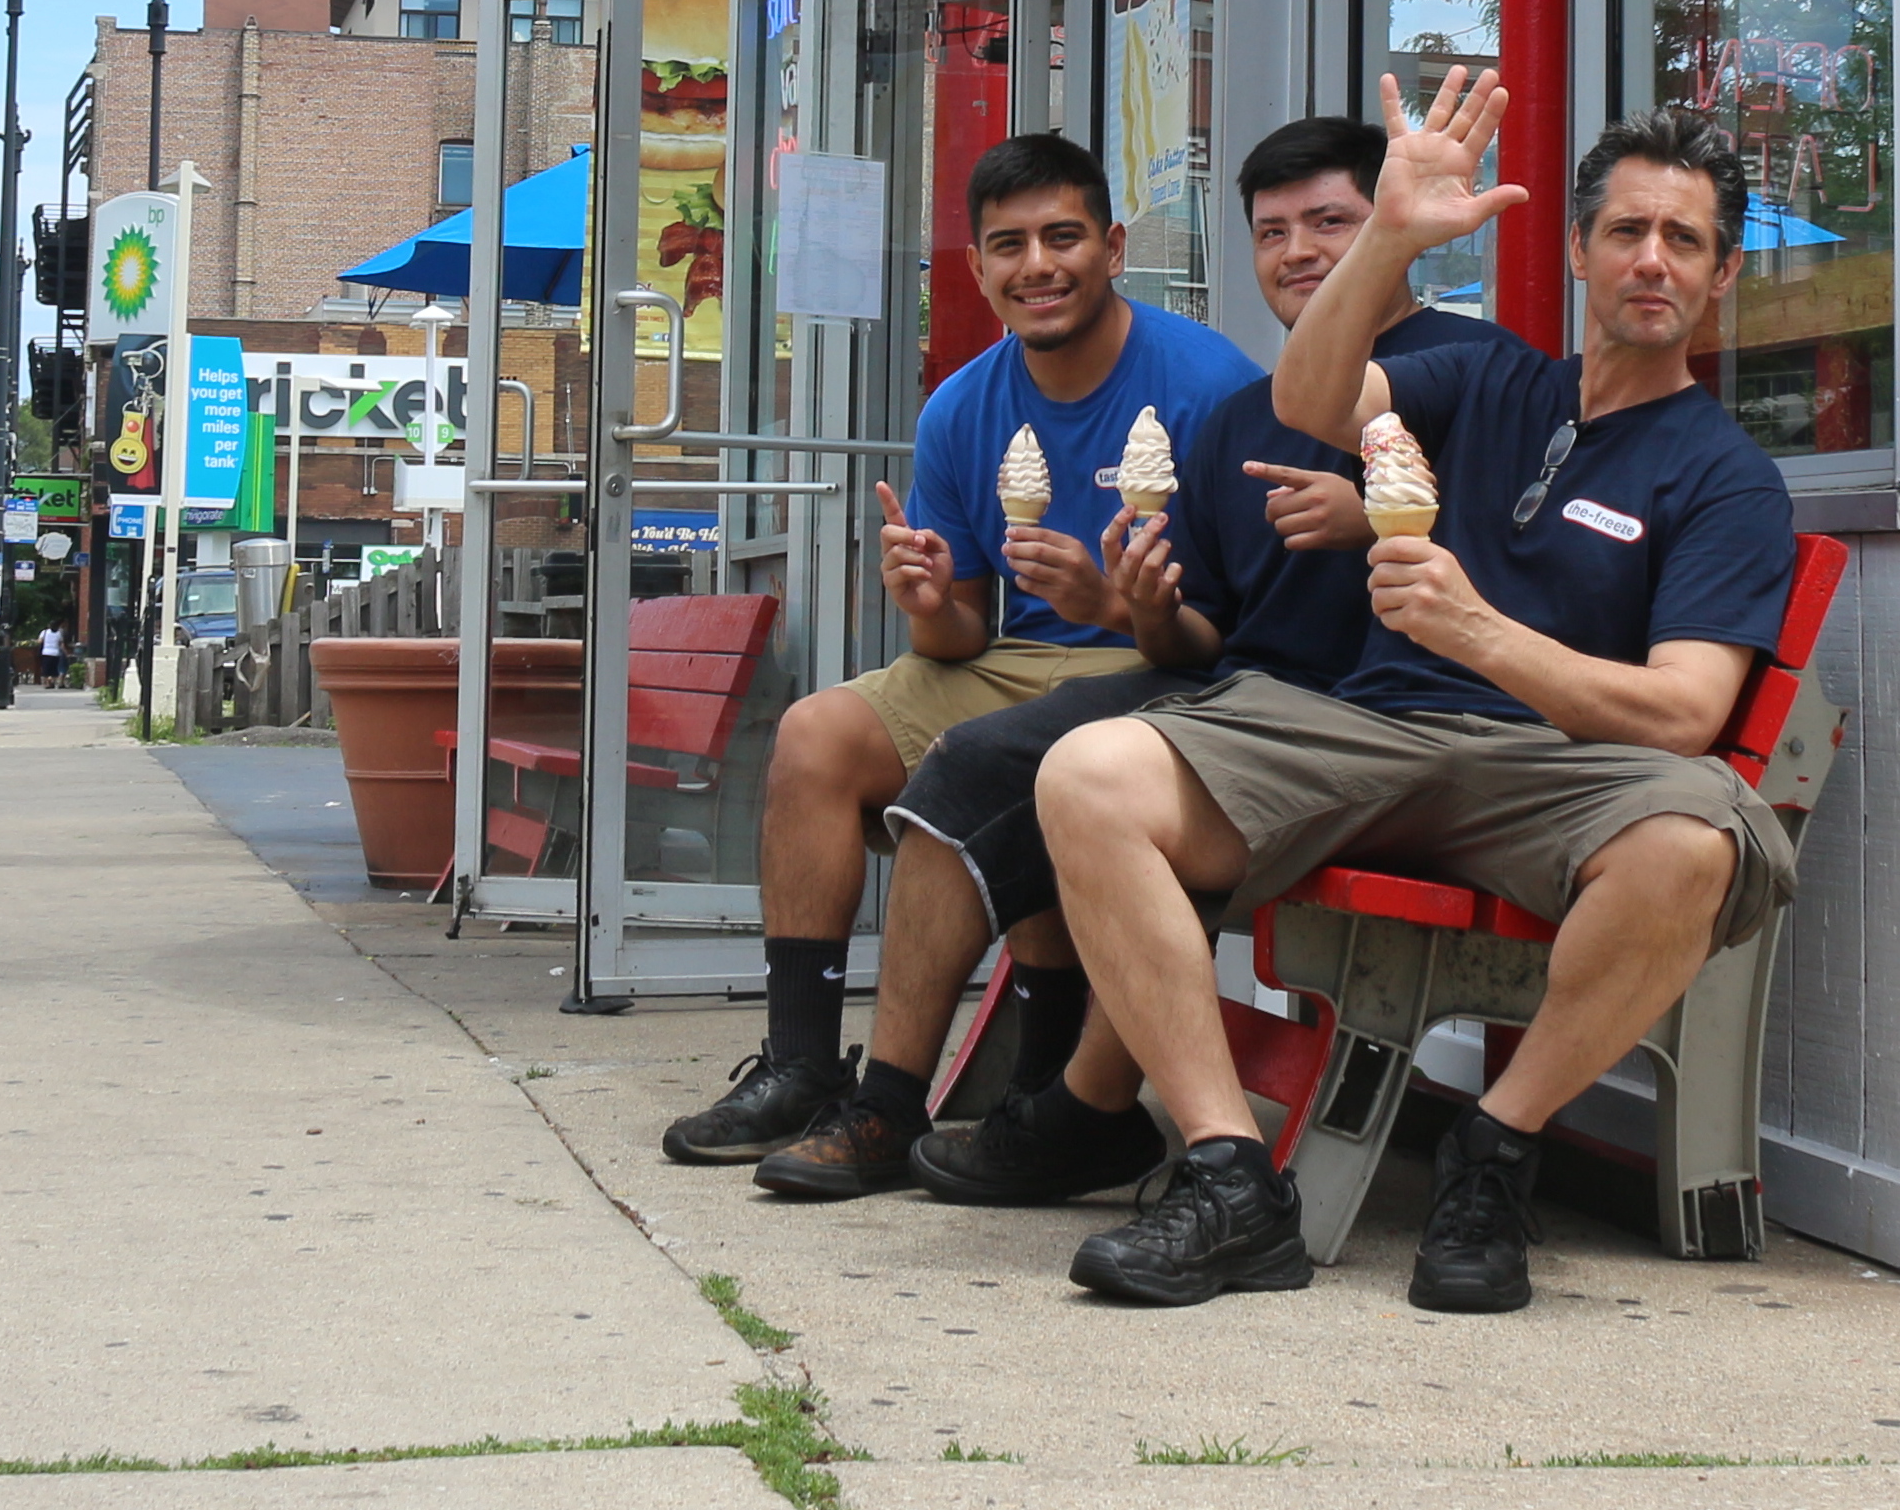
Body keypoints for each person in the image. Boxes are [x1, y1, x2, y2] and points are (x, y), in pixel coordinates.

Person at [1037, 77, 1797, 1313]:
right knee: (1087, 775)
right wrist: (1384, 230)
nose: (1650, 260)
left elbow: (1680, 715)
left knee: (1693, 841)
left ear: (1718, 280)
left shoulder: (1722, 476)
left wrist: (1480, 633)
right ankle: (1231, 1179)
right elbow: (1309, 403)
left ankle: (1491, 1154)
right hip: (1363, 728)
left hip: (1552, 771)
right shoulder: (1488, 383)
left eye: (1685, 241)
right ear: (1576, 251)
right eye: (1626, 231)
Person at [743, 114, 1537, 1201]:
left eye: (1331, 223)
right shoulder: (1245, 408)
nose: (1299, 251)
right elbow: (1203, 633)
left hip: (1376, 721)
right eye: (1272, 231)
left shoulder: (1474, 374)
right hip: (1237, 690)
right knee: (968, 766)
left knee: (1077, 776)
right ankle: (883, 1094)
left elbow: (1534, 568)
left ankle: (1078, 1106)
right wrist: (1140, 608)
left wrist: (1386, 522)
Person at [658, 132, 1256, 1163]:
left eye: (1063, 236)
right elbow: (963, 634)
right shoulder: (963, 406)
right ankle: (802, 1063)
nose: (1038, 266)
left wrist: (1118, 604)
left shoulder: (1207, 386)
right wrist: (926, 598)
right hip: (1018, 660)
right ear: (975, 269)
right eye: (1007, 244)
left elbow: (1245, 626)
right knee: (814, 733)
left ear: (1112, 246)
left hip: (1167, 668)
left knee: (969, 767)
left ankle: (966, 1092)